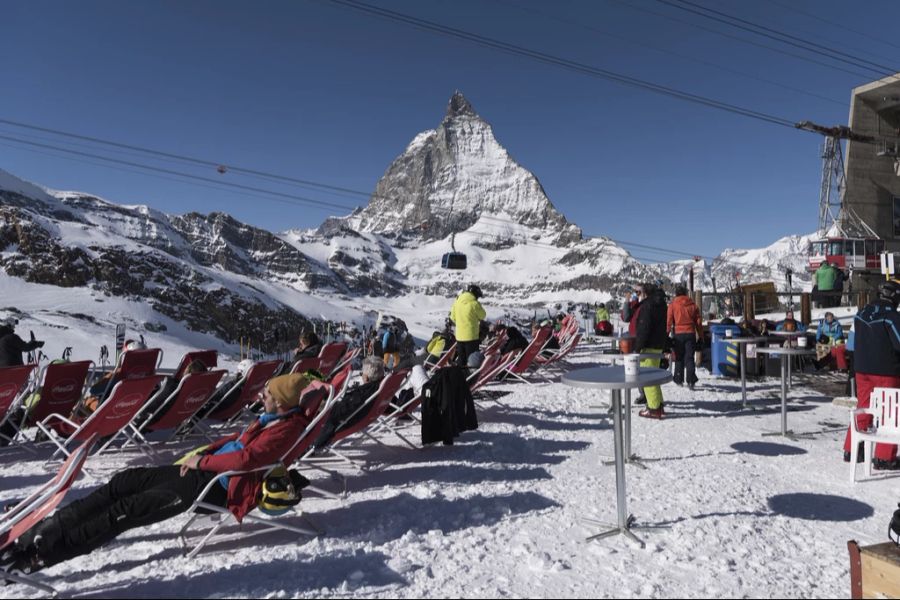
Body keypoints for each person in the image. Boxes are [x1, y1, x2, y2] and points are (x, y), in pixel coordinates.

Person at [1, 373, 315, 574]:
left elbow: (246, 460)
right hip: (200, 471)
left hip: (214, 486)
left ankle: (41, 555)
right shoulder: (272, 419)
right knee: (123, 482)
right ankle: (42, 529)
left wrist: (201, 463)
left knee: (125, 512)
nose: (263, 396)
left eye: (269, 394)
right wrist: (198, 457)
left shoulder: (285, 429)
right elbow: (236, 446)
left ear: (283, 401)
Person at [842, 280, 900, 469]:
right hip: (886, 370)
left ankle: (852, 449)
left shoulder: (862, 313)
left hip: (862, 369)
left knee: (864, 405)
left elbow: (852, 343)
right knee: (890, 411)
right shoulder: (891, 316)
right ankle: (884, 456)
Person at [312, 356, 385, 451]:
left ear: (366, 377)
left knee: (315, 407)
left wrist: (325, 406)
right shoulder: (377, 388)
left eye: (362, 373)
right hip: (359, 417)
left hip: (344, 421)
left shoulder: (363, 394)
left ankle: (308, 443)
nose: (361, 375)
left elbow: (342, 411)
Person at [632, 283, 668, 418]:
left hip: (648, 346)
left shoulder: (647, 306)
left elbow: (644, 328)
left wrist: (637, 347)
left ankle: (654, 409)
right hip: (658, 345)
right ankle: (658, 404)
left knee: (647, 378)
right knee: (653, 376)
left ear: (645, 293)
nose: (639, 295)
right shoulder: (661, 304)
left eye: (640, 293)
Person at [667, 285, 702, 390]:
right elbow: (698, 322)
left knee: (679, 357)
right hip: (690, 333)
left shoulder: (673, 304)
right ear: (686, 293)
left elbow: (668, 320)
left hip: (678, 333)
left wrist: (666, 334)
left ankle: (678, 379)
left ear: (676, 293)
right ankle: (691, 380)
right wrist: (700, 336)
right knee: (689, 357)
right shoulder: (693, 304)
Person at [449, 284, 486, 367]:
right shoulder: (474, 303)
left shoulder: (457, 302)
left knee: (461, 359)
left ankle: (460, 377)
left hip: (459, 337)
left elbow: (452, 317)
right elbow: (483, 315)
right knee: (472, 361)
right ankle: (471, 378)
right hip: (471, 337)